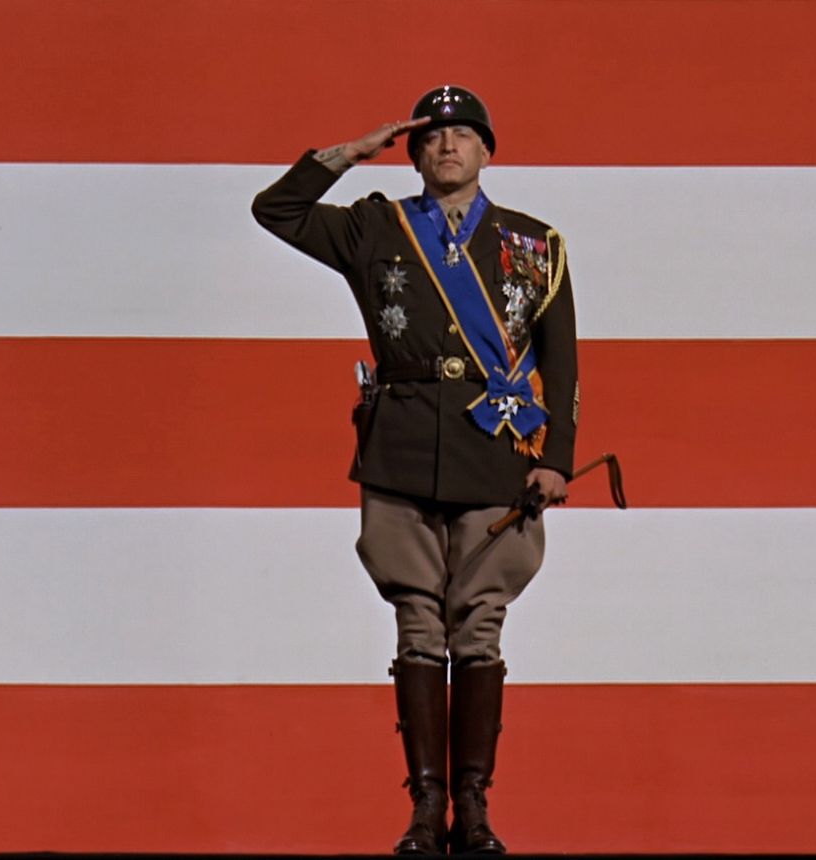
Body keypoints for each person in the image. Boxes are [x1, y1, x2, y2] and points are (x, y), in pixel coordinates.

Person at [252, 85, 578, 854]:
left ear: (488, 150)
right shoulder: (375, 226)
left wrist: (558, 459)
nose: (447, 146)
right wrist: (347, 154)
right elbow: (278, 211)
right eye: (432, 137)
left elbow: (561, 360)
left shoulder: (534, 245)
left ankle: (476, 806)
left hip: (499, 449)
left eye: (464, 134)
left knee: (481, 625)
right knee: (417, 624)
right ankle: (426, 810)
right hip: (399, 448)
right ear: (414, 152)